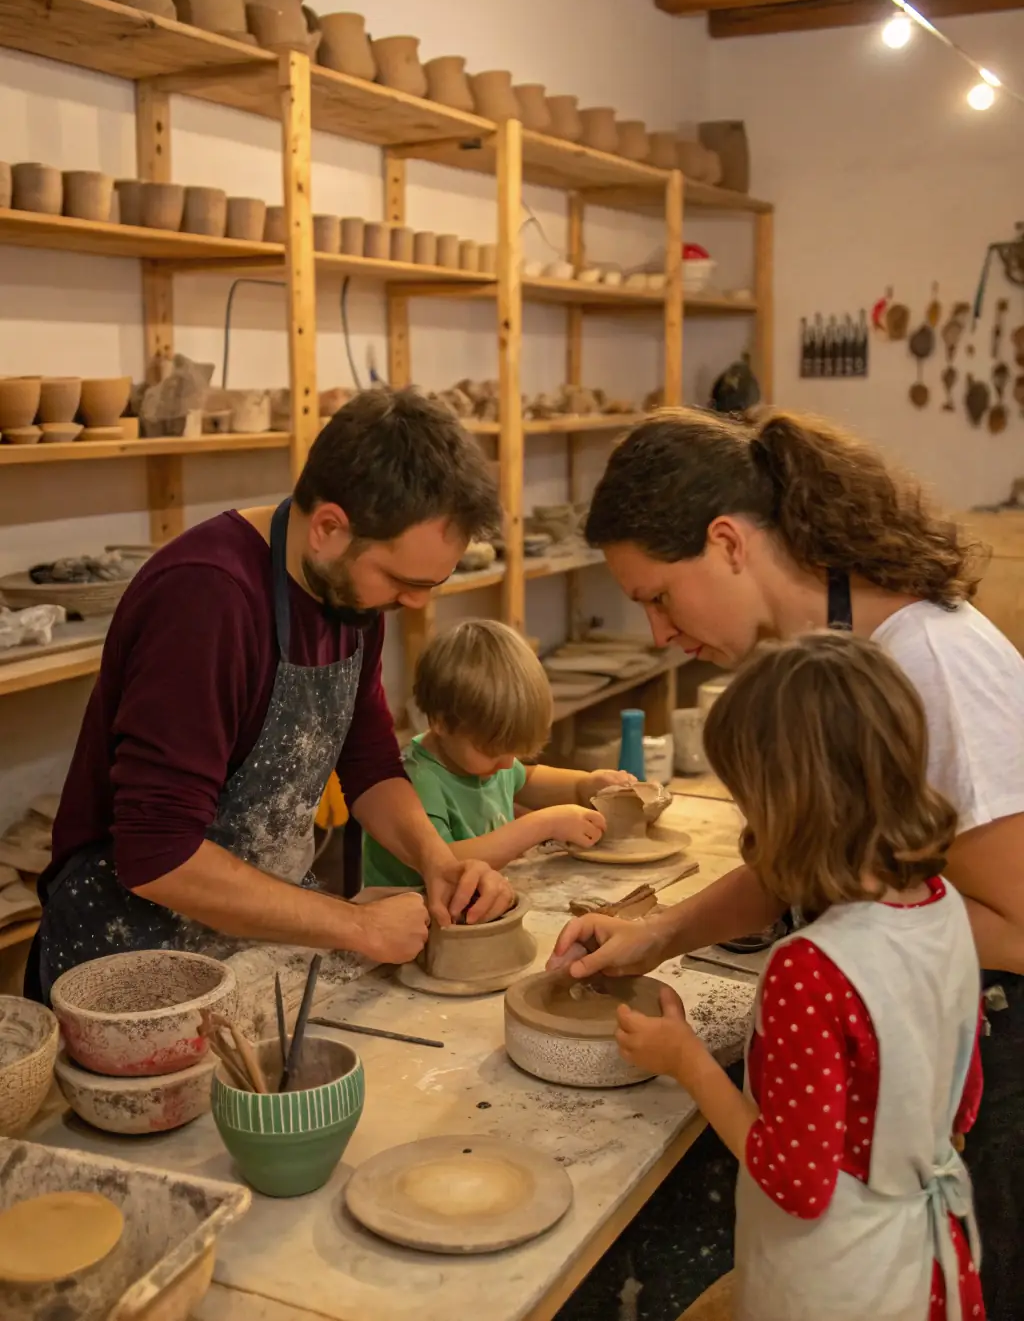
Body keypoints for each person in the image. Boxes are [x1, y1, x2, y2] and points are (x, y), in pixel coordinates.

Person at [549, 406, 1024, 1320]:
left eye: (657, 596)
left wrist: (835, 956)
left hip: (976, 1066)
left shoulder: (933, 662)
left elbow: (1013, 923)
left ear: (727, 542)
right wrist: (660, 933)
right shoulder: (838, 655)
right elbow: (833, 864)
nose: (656, 634)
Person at [26, 389, 515, 1004]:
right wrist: (356, 924)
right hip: (137, 961)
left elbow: (367, 766)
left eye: (430, 584)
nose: (415, 603)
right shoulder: (205, 599)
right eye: (402, 581)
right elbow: (158, 855)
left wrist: (437, 860)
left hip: (264, 933)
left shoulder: (349, 591)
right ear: (329, 528)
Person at [614, 632, 983, 1321]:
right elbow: (959, 1104)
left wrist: (685, 1058)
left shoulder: (809, 969)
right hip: (922, 1260)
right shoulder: (945, 908)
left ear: (787, 803)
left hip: (837, 1282)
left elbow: (796, 1180)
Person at [363, 619, 632, 884]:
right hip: (412, 915)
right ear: (441, 722)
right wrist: (543, 825)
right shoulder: (417, 782)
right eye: (493, 753)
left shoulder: (481, 761)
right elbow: (447, 864)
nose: (506, 766)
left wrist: (586, 784)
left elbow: (529, 779)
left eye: (512, 754)